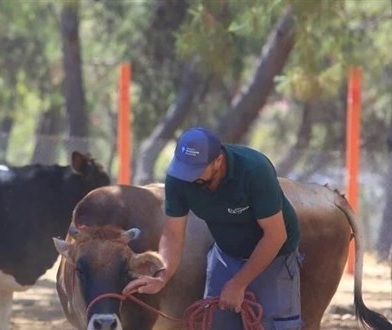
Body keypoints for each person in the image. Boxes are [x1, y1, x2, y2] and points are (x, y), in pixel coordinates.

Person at [123, 127, 303, 330]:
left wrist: (238, 284)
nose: (188, 177)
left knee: (274, 325)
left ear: (218, 160)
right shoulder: (178, 177)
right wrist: (162, 275)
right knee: (216, 323)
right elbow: (173, 232)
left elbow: (275, 235)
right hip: (227, 253)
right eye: (184, 168)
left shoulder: (254, 169)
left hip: (275, 256)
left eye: (196, 170)